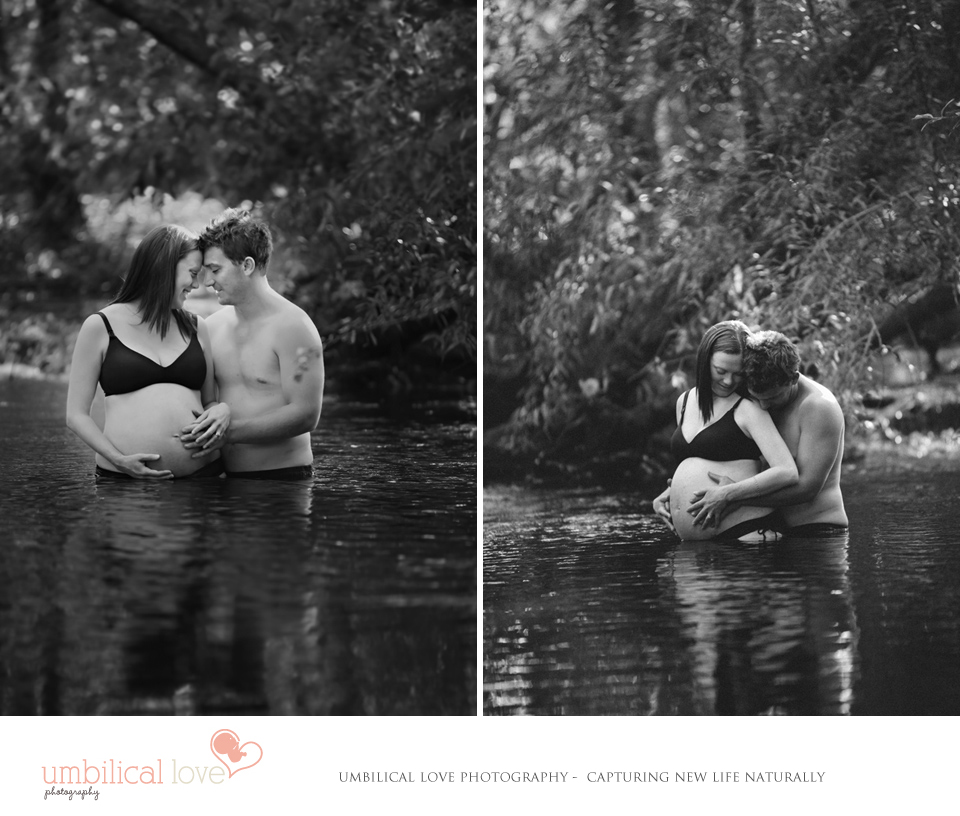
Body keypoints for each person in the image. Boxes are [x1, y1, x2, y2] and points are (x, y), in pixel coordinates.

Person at [66, 225, 229, 479]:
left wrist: (222, 410)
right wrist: (119, 460)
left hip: (203, 479)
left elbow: (209, 402)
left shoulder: (198, 327)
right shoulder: (100, 326)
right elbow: (76, 415)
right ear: (165, 267)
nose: (197, 285)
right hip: (124, 482)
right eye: (193, 273)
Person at [178, 209, 324, 480]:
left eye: (215, 270)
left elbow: (306, 415)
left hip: (283, 481)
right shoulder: (212, 327)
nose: (207, 282)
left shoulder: (295, 327)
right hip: (226, 481)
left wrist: (227, 433)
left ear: (246, 266)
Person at [688, 330, 848, 537]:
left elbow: (808, 488)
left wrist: (733, 496)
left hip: (818, 531)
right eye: (758, 398)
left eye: (772, 398)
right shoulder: (753, 391)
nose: (763, 406)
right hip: (770, 531)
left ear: (793, 379)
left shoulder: (819, 407)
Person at [652, 320, 798, 540]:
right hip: (699, 551)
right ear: (704, 361)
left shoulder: (749, 408)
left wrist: (727, 494)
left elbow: (787, 471)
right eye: (720, 370)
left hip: (746, 534)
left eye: (738, 373)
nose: (729, 381)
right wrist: (670, 496)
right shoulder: (684, 402)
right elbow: (695, 464)